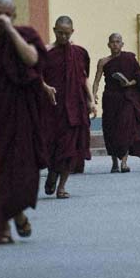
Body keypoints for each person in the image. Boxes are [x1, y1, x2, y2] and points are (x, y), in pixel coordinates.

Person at [0, 0, 48, 243]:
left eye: (6, 15)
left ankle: (16, 213)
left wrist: (10, 31)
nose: (0, 18)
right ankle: (4, 224)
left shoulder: (25, 34)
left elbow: (32, 59)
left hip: (19, 116)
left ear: (13, 16)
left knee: (18, 172)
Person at [42, 16, 96, 199]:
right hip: (52, 108)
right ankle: (52, 172)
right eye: (60, 33)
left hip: (75, 106)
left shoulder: (79, 53)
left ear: (72, 32)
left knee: (70, 147)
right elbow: (36, 76)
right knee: (52, 145)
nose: (63, 37)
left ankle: (62, 187)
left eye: (67, 33)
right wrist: (45, 87)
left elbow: (83, 78)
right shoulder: (46, 53)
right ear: (54, 30)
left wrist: (91, 100)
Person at [92, 33, 140, 172]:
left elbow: (138, 78)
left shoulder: (129, 58)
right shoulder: (103, 61)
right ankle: (114, 163)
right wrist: (93, 95)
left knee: (125, 128)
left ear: (122, 44)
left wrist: (129, 82)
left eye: (118, 42)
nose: (115, 44)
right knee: (111, 129)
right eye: (113, 42)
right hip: (111, 98)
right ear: (108, 44)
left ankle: (124, 162)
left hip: (126, 97)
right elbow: (97, 80)